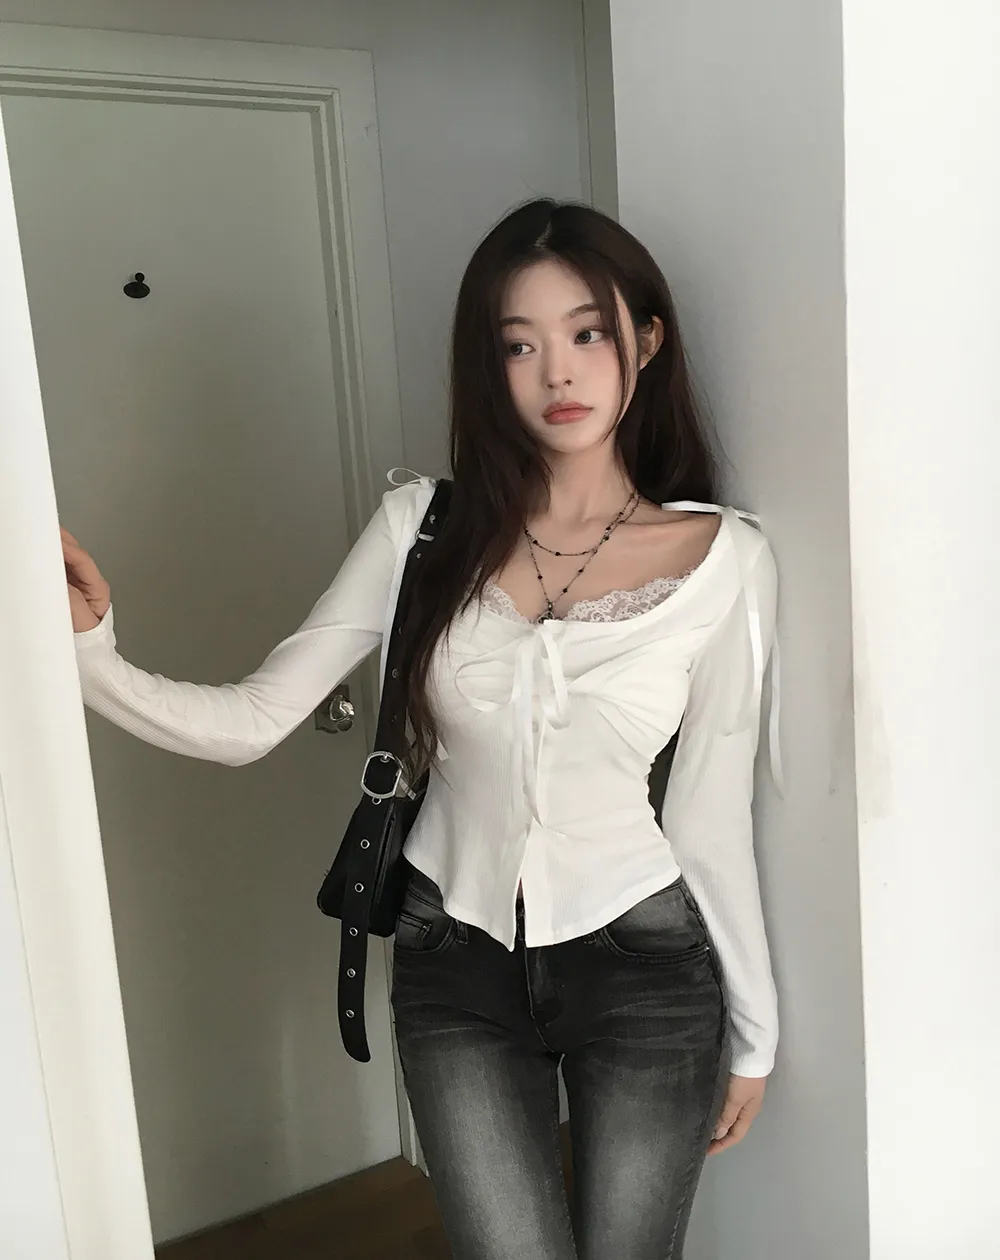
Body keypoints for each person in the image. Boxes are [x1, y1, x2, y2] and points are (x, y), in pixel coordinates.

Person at [64, 199, 780, 1260]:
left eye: (587, 332)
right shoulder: (420, 530)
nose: (558, 372)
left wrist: (756, 1035)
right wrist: (88, 655)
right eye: (519, 345)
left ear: (646, 340)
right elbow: (253, 721)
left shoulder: (724, 562)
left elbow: (708, 819)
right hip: (453, 965)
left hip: (643, 967)